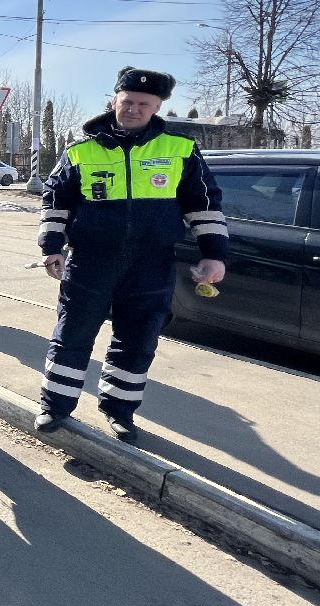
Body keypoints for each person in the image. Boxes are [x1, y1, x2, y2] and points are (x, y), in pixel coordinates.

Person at [35, 67, 229, 444]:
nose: (134, 109)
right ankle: (55, 405)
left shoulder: (180, 150)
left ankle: (119, 410)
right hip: (90, 262)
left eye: (144, 104)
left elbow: (204, 206)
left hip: (151, 265)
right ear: (114, 101)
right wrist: (51, 249)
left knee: (137, 341)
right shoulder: (80, 151)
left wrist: (214, 254)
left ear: (156, 108)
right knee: (71, 335)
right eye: (128, 101)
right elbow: (55, 203)